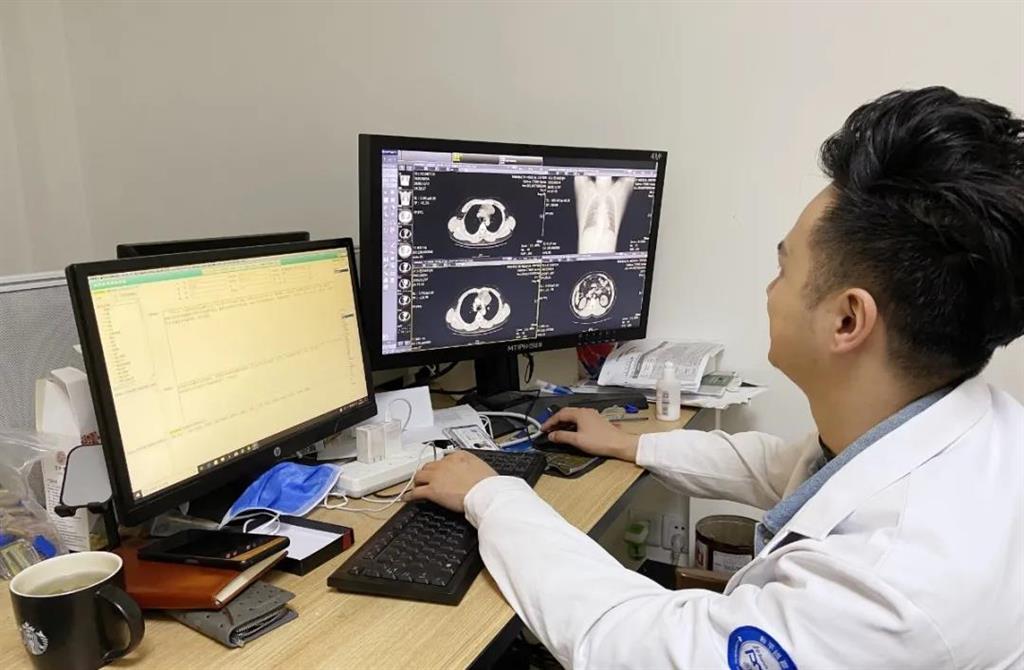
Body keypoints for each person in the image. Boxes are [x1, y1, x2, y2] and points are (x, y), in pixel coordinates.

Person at [407, 87, 1024, 669]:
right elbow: (785, 469)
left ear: (846, 320)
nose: (769, 290)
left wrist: (493, 497)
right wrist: (630, 445)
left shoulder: (887, 590)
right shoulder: (972, 430)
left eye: (783, 269)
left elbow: (629, 646)